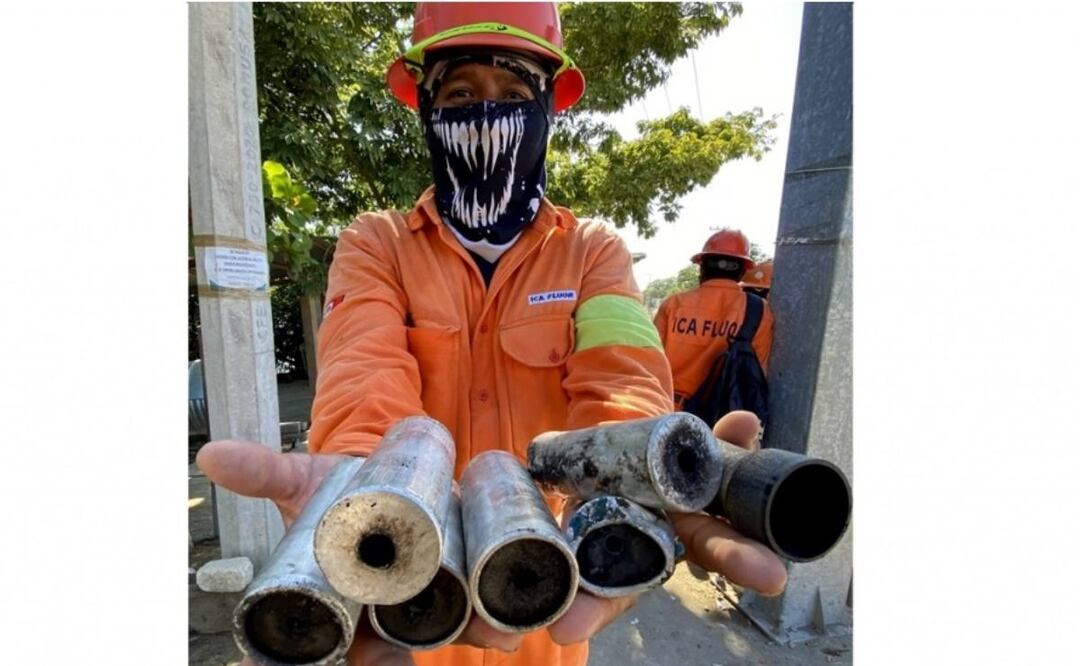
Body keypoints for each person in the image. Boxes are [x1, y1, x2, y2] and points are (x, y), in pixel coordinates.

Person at [197, 5, 787, 666]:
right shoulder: (377, 246)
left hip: (546, 594)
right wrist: (367, 493)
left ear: (549, 107)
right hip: (409, 595)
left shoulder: (592, 255)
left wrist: (638, 473)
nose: (487, 115)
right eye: (461, 94)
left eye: (512, 95)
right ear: (424, 107)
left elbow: (620, 382)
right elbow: (363, 374)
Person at [654, 229, 774, 413]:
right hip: (720, 420)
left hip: (666, 410)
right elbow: (756, 373)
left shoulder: (674, 305)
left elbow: (650, 362)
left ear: (702, 266)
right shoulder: (759, 311)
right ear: (743, 271)